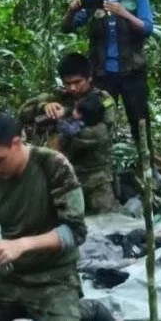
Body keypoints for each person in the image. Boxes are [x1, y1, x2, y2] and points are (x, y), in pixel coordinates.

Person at [0, 112, 86, 321]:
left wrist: (23, 244)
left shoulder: (52, 165)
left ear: (16, 143)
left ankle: (88, 310)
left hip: (55, 277)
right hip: (9, 275)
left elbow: (75, 231)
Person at [62, 0, 155, 156]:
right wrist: (71, 11)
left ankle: (147, 165)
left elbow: (147, 28)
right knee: (97, 119)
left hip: (132, 72)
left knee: (139, 120)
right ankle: (100, 163)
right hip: (102, 74)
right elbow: (67, 28)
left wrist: (124, 13)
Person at [18, 53, 119, 214]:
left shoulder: (103, 100)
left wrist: (65, 124)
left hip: (95, 177)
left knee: (108, 221)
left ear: (89, 78)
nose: (72, 88)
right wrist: (44, 106)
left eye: (77, 82)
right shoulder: (59, 96)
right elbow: (24, 113)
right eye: (67, 83)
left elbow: (101, 135)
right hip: (62, 177)